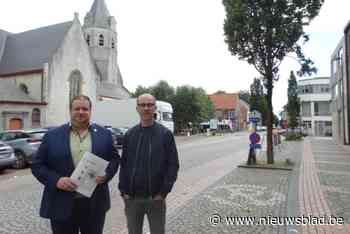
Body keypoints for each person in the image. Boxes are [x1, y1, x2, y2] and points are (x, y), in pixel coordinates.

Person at [31, 95, 119, 234]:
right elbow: (37, 165)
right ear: (70, 111)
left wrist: (107, 175)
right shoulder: (52, 135)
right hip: (61, 203)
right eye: (77, 108)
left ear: (90, 111)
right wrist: (56, 180)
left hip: (94, 204)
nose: (81, 112)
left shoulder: (104, 134)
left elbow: (114, 159)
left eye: (85, 108)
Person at [119, 93, 179, 234]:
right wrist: (123, 191)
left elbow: (173, 165)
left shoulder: (165, 135)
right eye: (142, 105)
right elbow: (124, 165)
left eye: (150, 105)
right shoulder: (129, 135)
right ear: (137, 108)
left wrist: (163, 192)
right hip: (132, 199)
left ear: (155, 108)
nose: (146, 108)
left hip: (155, 199)